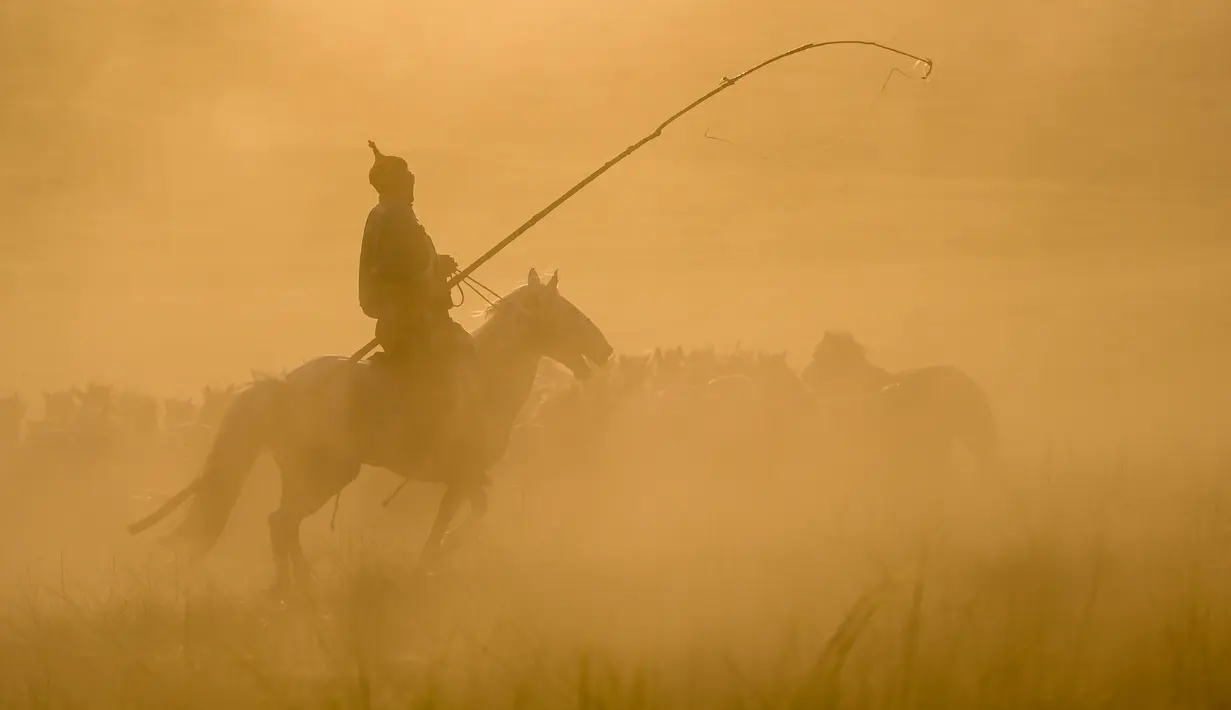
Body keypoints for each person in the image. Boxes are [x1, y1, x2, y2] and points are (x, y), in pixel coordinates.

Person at [358, 141, 475, 442]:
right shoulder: (394, 216)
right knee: (460, 354)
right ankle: (441, 437)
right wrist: (437, 266)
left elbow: (410, 262)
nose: (412, 185)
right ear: (396, 184)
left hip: (402, 314)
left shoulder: (387, 214)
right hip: (407, 319)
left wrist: (437, 264)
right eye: (408, 180)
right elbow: (405, 266)